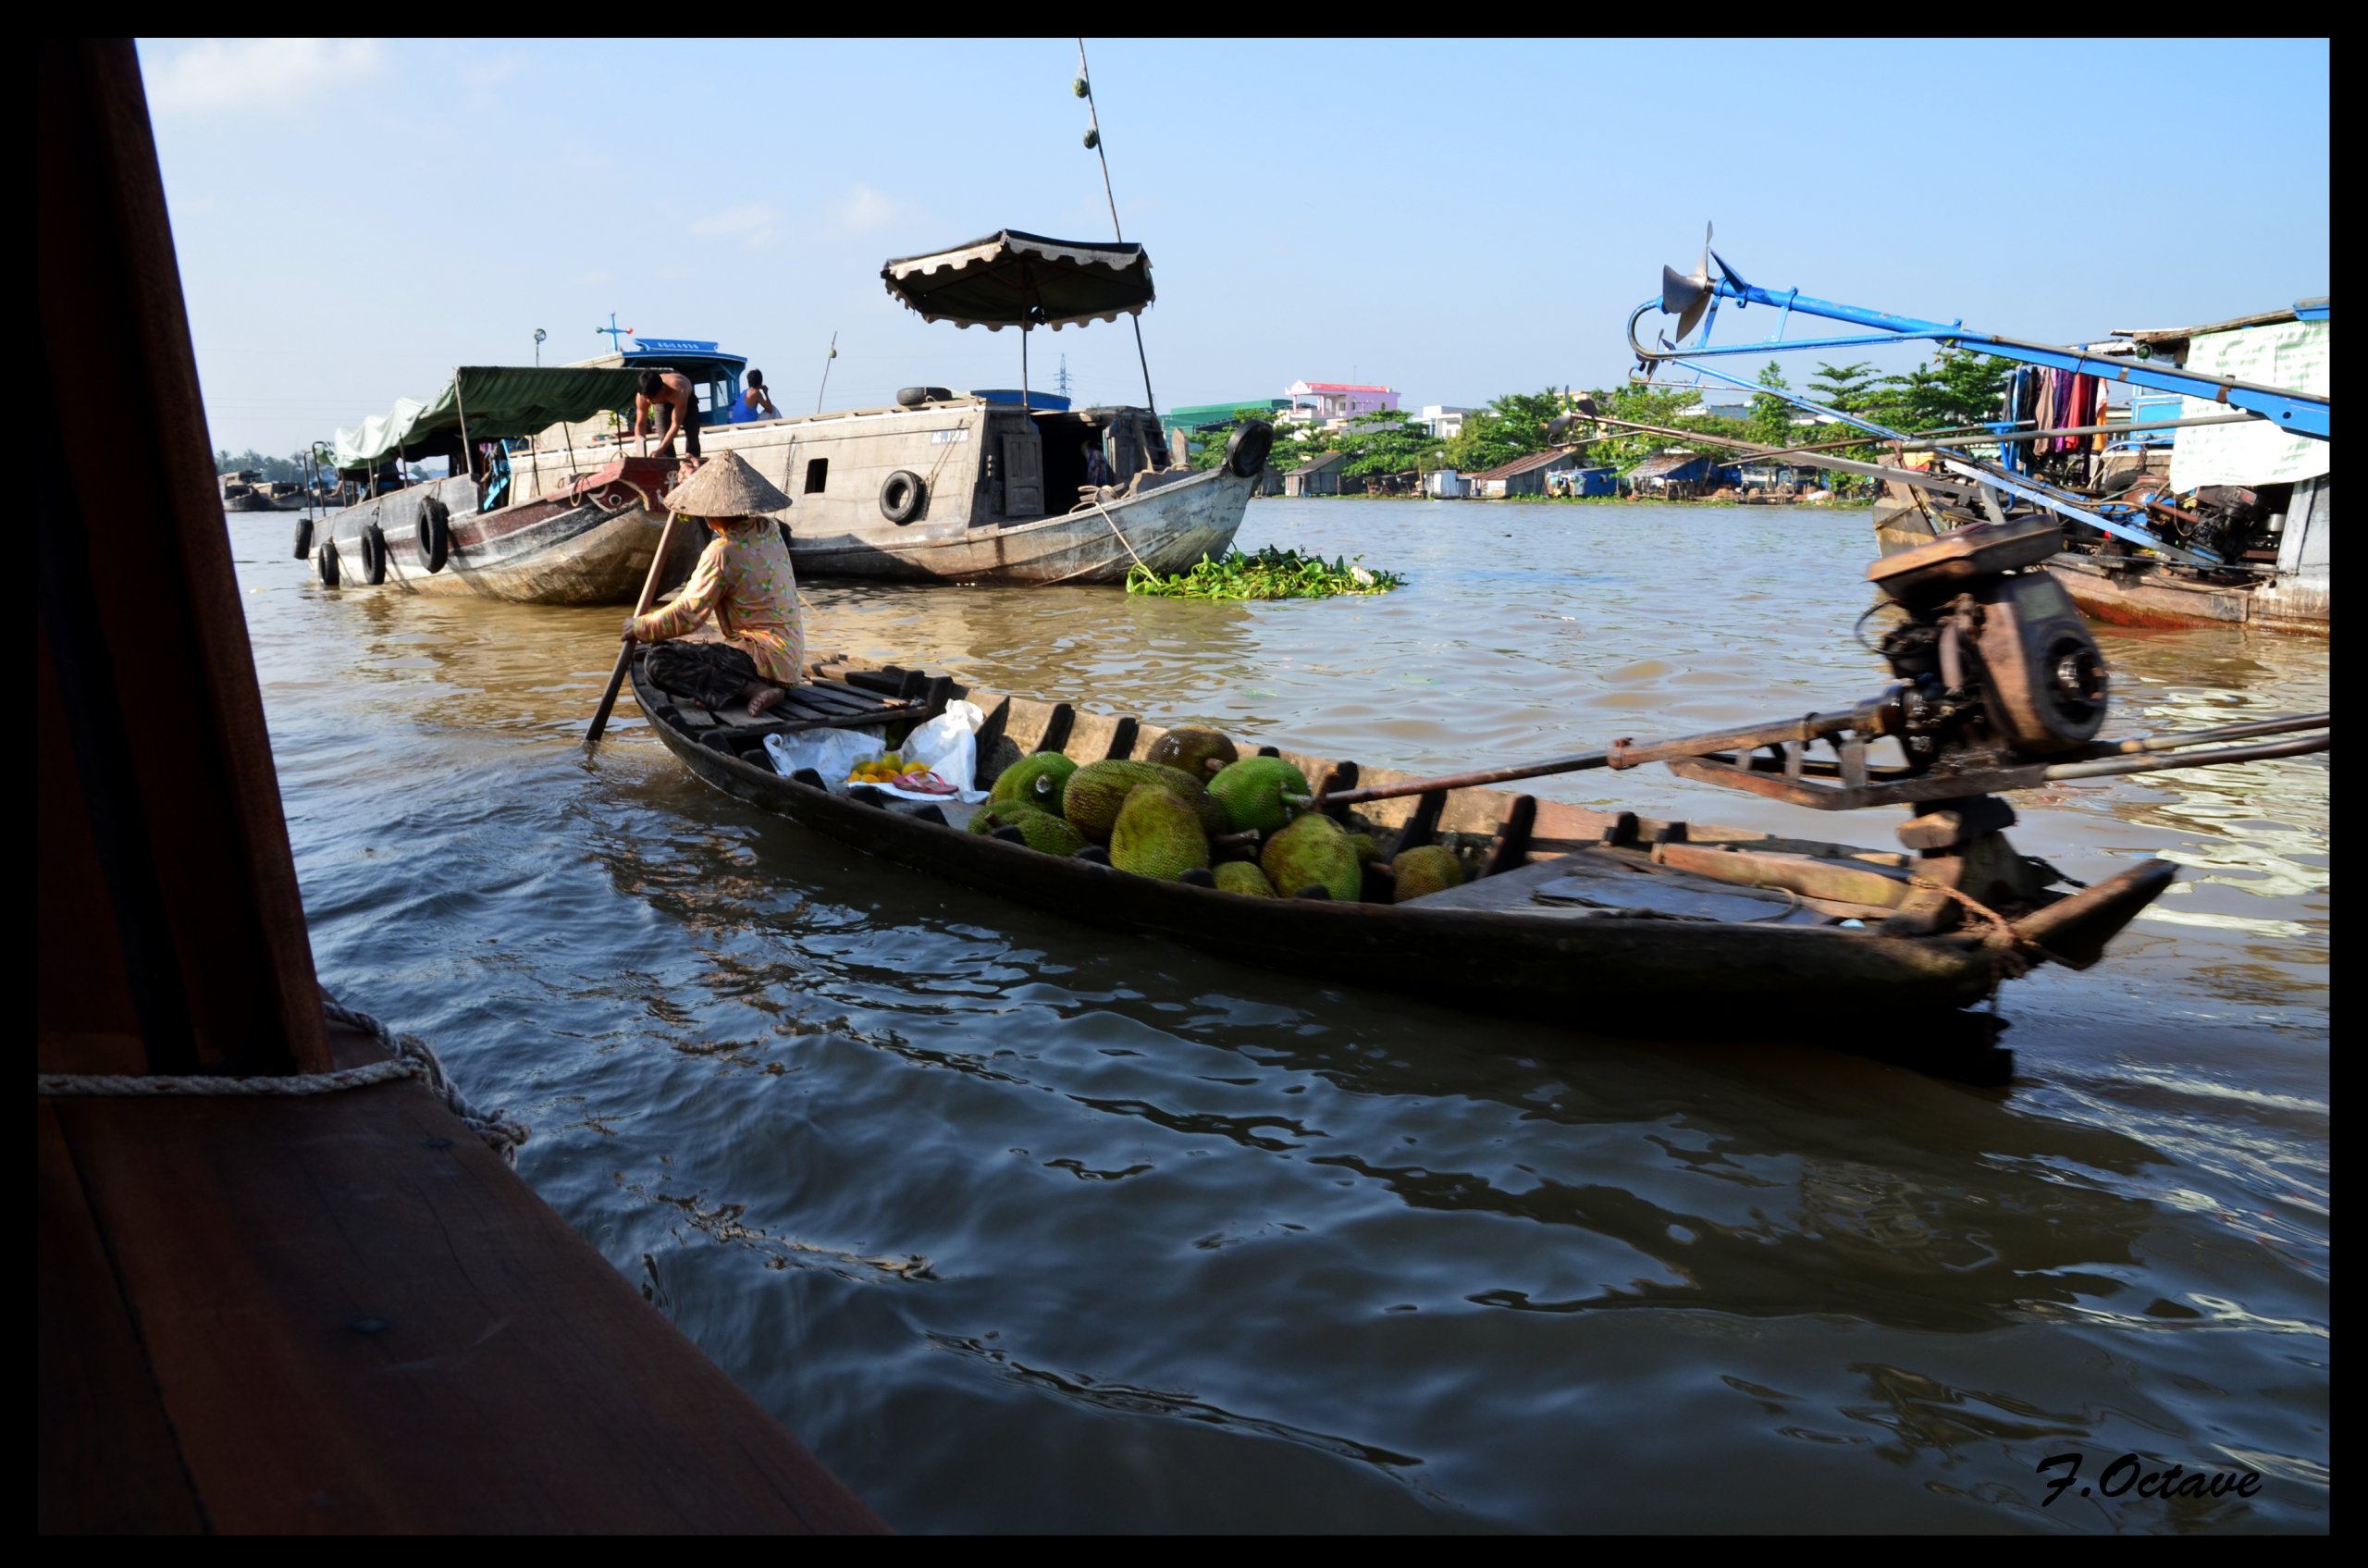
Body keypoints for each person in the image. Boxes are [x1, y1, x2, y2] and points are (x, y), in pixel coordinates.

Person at [623, 451, 801, 719]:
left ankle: (750, 689)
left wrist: (640, 626)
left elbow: (686, 616)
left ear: (709, 515)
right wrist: (699, 482)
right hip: (789, 662)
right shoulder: (770, 530)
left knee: (659, 660)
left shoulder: (721, 552)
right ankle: (719, 692)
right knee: (696, 654)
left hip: (759, 662)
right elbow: (724, 526)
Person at [631, 367, 702, 466]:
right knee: (663, 436)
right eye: (646, 399)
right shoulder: (643, 396)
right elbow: (640, 424)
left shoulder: (679, 390)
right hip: (661, 403)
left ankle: (693, 464)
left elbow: (675, 424)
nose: (649, 402)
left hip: (688, 400)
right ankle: (669, 465)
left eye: (651, 399)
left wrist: (659, 450)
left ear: (662, 390)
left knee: (692, 435)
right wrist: (640, 454)